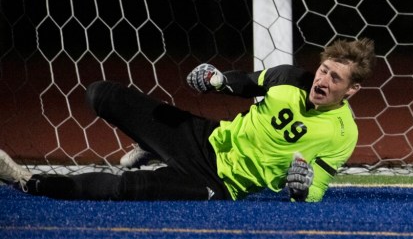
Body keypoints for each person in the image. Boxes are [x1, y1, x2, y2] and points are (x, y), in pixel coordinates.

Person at [0, 37, 376, 202]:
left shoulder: (343, 134)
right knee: (101, 94)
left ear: (352, 90)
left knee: (125, 189)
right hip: (203, 137)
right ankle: (153, 145)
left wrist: (300, 190)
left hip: (217, 183)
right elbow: (247, 83)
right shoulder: (290, 77)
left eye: (335, 78)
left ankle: (28, 182)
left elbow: (313, 191)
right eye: (323, 70)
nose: (322, 81)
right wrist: (216, 80)